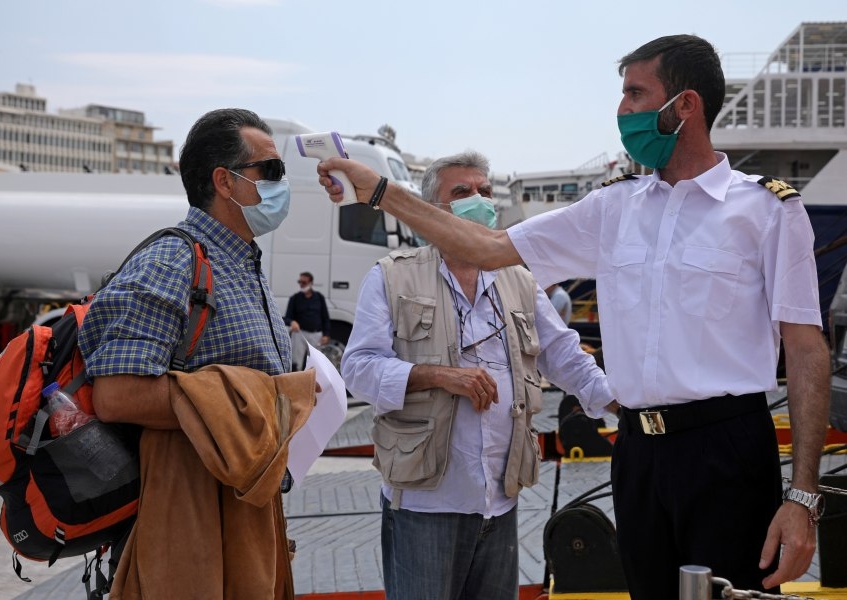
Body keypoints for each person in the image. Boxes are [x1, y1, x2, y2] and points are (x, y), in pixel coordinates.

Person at [317, 35, 831, 599]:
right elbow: (489, 247)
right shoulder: (612, 208)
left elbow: (807, 350)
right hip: (638, 452)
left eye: (636, 93)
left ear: (685, 105)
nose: (622, 110)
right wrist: (381, 193)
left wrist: (802, 497)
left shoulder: (766, 210)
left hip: (727, 450)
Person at [341, 151, 613, 600]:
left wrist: (619, 401)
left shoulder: (517, 279)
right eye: (462, 192)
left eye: (484, 190)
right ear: (433, 210)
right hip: (427, 502)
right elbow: (358, 369)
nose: (479, 199)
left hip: (499, 500)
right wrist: (439, 375)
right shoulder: (392, 277)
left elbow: (563, 353)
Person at [78, 108, 314, 599]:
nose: (281, 184)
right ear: (224, 182)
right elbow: (117, 396)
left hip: (241, 504)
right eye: (270, 171)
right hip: (188, 510)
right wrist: (255, 402)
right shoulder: (173, 261)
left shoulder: (241, 263)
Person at [285, 271, 331, 370]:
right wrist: (292, 322)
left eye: (304, 282)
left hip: (316, 334)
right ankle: (296, 382)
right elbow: (287, 318)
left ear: (311, 283)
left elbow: (325, 317)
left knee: (316, 362)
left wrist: (326, 334)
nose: (301, 285)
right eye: (300, 282)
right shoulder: (295, 298)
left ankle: (314, 383)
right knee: (296, 362)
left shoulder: (319, 298)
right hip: (300, 333)